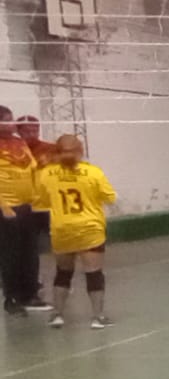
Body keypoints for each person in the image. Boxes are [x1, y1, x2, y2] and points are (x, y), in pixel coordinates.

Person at [36, 135, 118, 329]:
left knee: (63, 273)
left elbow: (42, 201)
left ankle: (57, 314)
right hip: (89, 229)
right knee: (94, 273)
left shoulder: (46, 174)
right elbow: (110, 197)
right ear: (80, 151)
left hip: (62, 229)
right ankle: (98, 317)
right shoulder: (93, 172)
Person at [0, 106, 50, 317]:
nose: (13, 124)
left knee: (30, 252)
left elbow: (32, 169)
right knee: (10, 254)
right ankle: (12, 298)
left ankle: (30, 294)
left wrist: (38, 198)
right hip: (6, 208)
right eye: (7, 120)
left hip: (27, 206)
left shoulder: (19, 143)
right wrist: (3, 205)